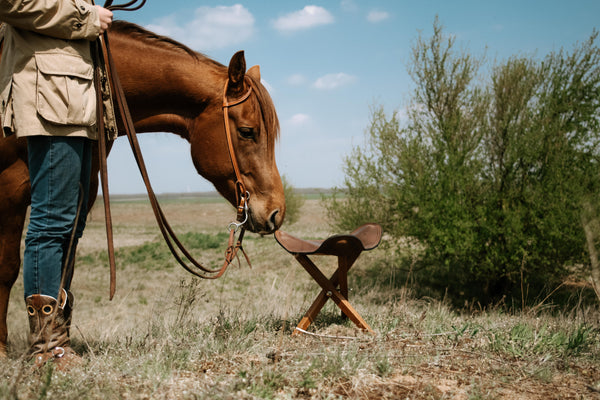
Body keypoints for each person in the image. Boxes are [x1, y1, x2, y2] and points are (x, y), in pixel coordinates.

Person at [0, 0, 114, 369]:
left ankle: (57, 335)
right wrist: (85, 16)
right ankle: (46, 347)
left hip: (78, 98)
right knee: (50, 225)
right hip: (51, 94)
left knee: (69, 227)